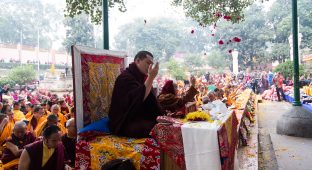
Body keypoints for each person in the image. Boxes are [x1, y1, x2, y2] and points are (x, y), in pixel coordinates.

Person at [109, 51, 162, 138]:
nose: (150, 66)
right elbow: (137, 99)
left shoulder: (141, 77)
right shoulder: (125, 78)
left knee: (161, 124)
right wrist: (151, 77)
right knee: (155, 128)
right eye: (148, 62)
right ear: (137, 61)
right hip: (123, 121)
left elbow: (149, 100)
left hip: (137, 117)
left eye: (151, 64)